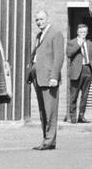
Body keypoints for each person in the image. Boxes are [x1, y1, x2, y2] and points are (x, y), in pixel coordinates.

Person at [27, 10, 65, 150]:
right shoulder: (39, 35)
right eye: (37, 20)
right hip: (38, 77)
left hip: (49, 78)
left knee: (50, 111)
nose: (39, 22)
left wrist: (54, 77)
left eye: (41, 19)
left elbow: (59, 57)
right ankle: (46, 139)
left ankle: (49, 140)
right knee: (43, 112)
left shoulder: (56, 33)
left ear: (47, 19)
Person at [66, 23, 92, 123]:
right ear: (78, 32)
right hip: (76, 71)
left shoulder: (90, 43)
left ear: (87, 33)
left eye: (85, 32)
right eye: (81, 32)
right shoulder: (71, 42)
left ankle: (81, 116)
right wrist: (79, 44)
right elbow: (69, 54)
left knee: (85, 95)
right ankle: (73, 118)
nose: (83, 34)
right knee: (74, 95)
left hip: (87, 70)